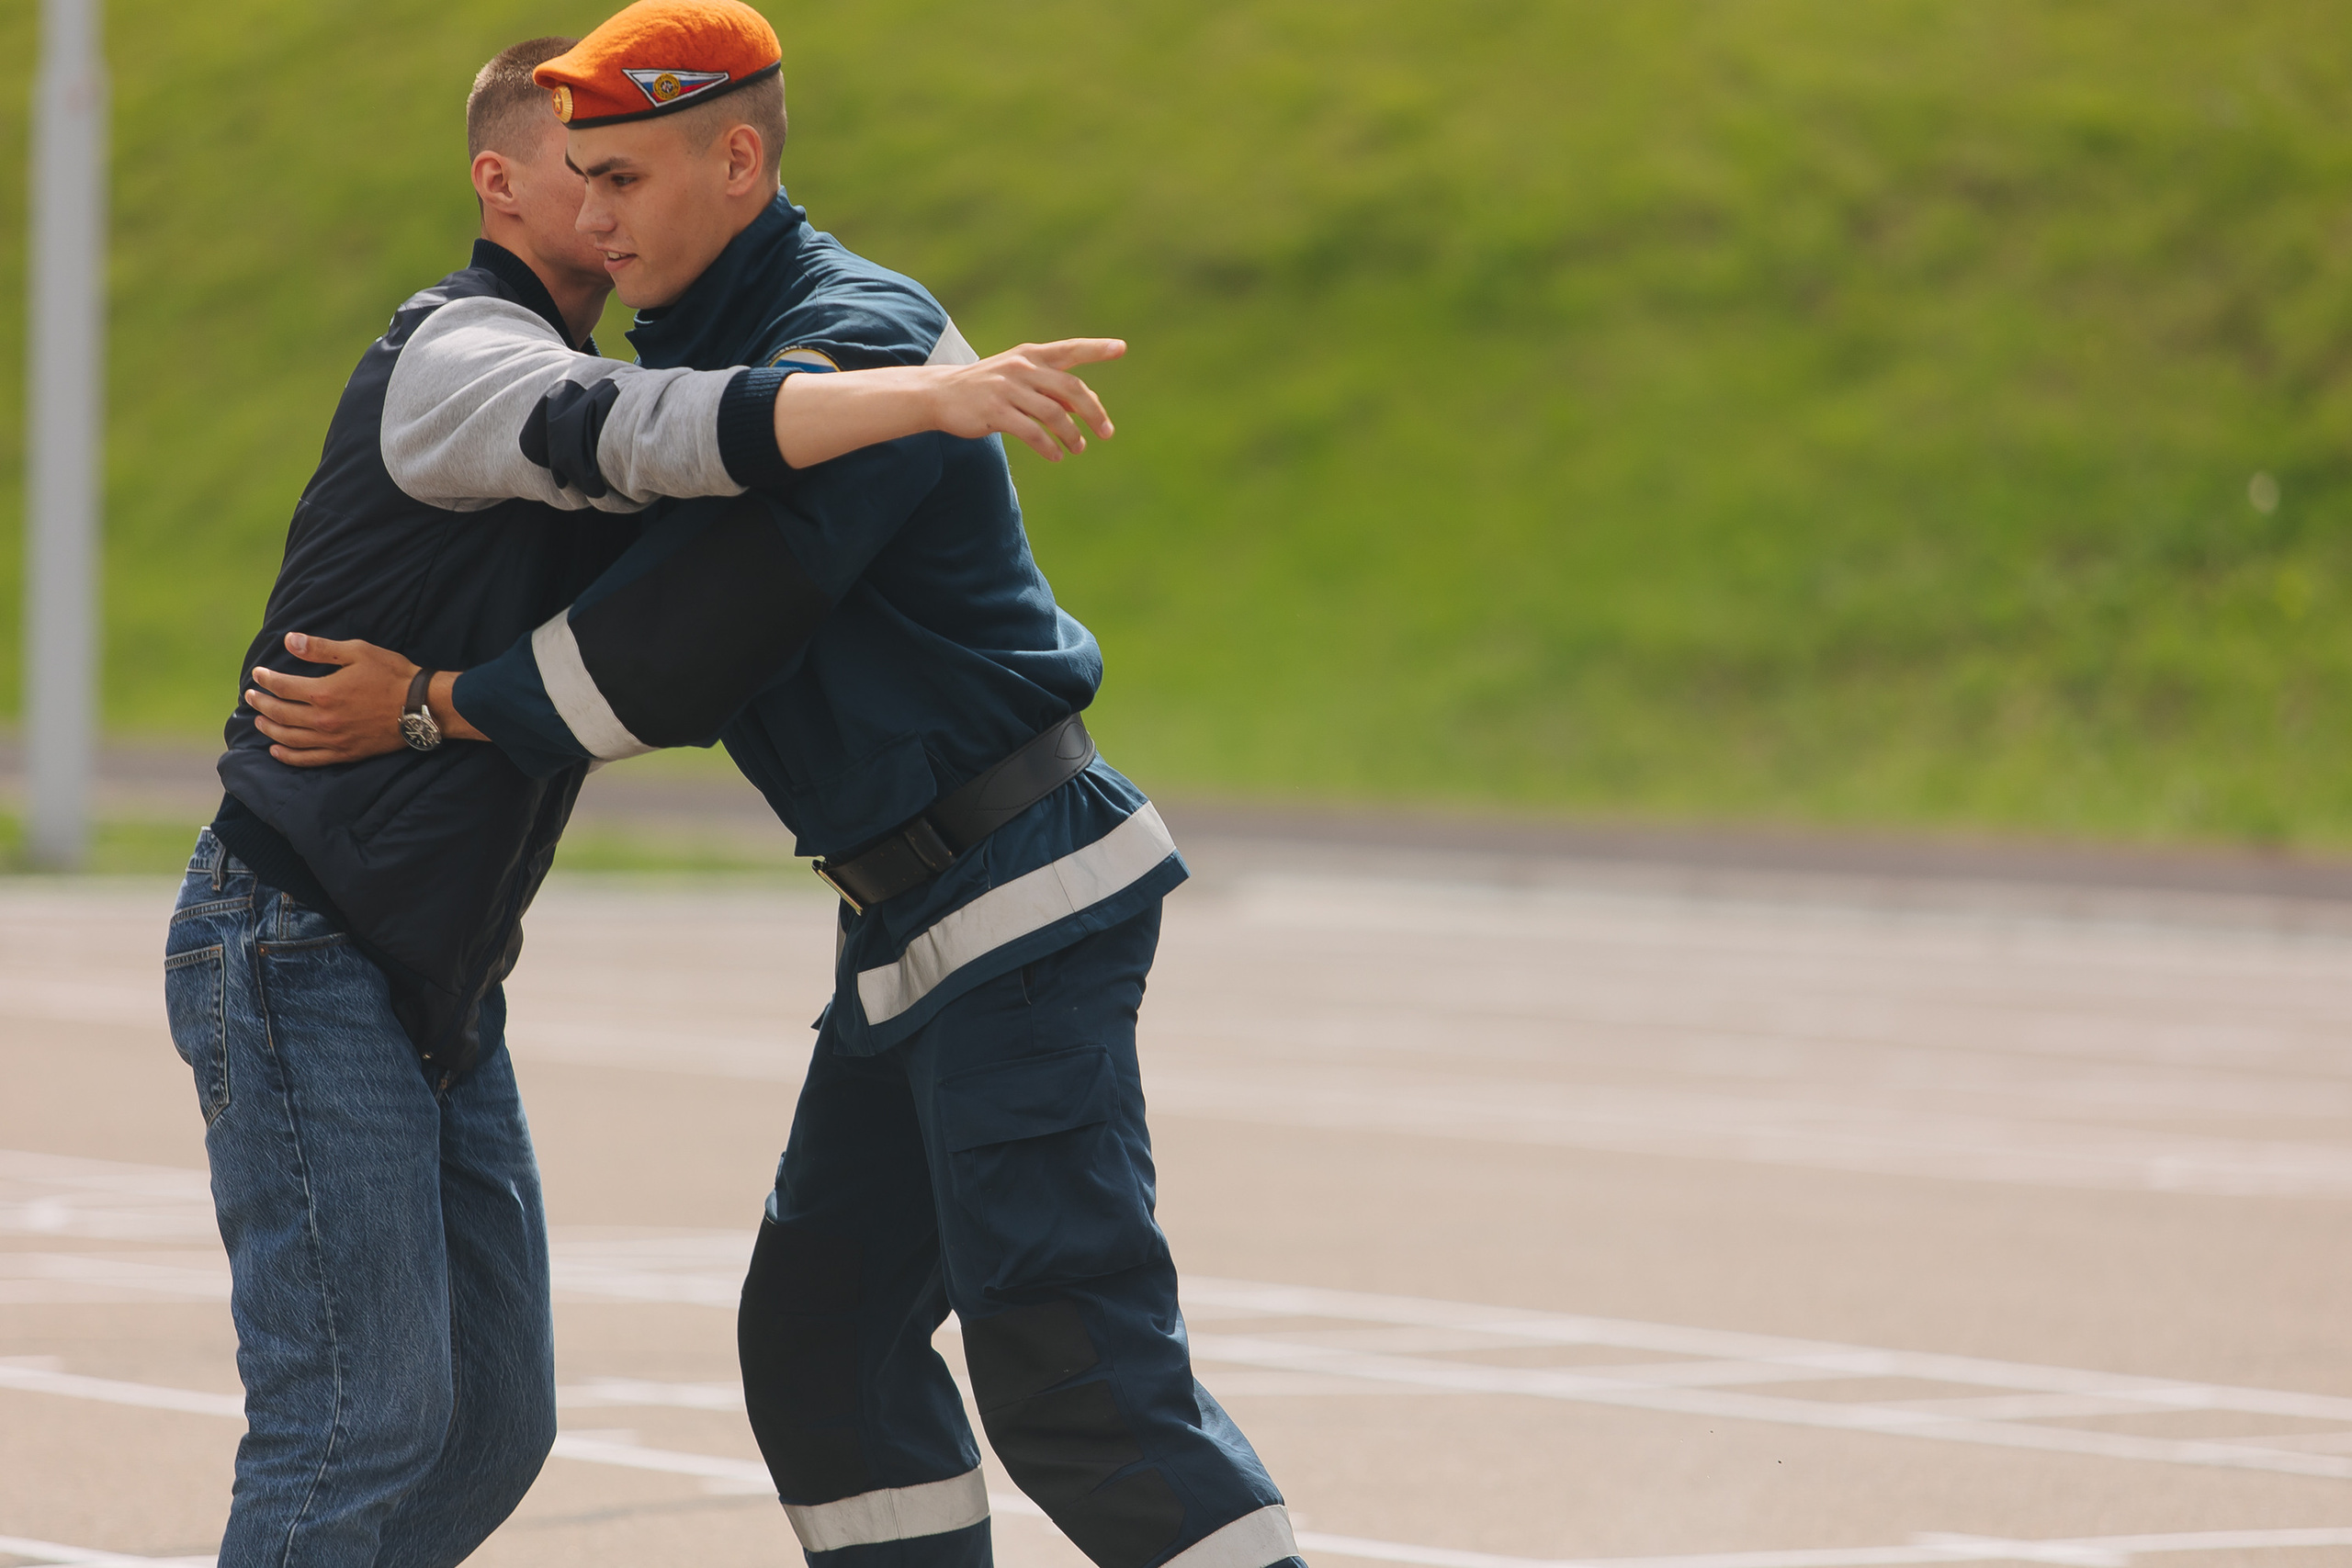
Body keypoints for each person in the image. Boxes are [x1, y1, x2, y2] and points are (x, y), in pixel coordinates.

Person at [252, 7, 1307, 1568]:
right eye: (577, 185)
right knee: (824, 1347)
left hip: (1018, 893)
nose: (592, 223)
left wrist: (432, 709)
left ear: (737, 157)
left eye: (618, 181)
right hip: (907, 927)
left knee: (1071, 1364)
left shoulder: (855, 334)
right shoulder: (700, 358)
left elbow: (696, 635)